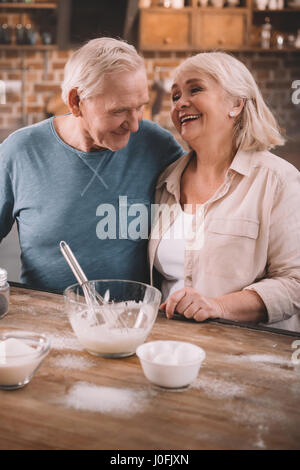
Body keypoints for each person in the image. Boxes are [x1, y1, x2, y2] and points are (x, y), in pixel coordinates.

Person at [0, 38, 184, 291]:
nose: (134, 125)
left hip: (132, 321)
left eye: (139, 107)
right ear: (76, 101)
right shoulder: (19, 152)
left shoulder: (158, 147)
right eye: (119, 111)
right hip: (44, 321)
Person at [148, 51, 300, 332]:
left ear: (236, 104)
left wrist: (217, 307)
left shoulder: (278, 181)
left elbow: (296, 284)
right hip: (170, 347)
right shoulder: (166, 181)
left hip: (247, 353)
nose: (181, 102)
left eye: (195, 89)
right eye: (175, 96)